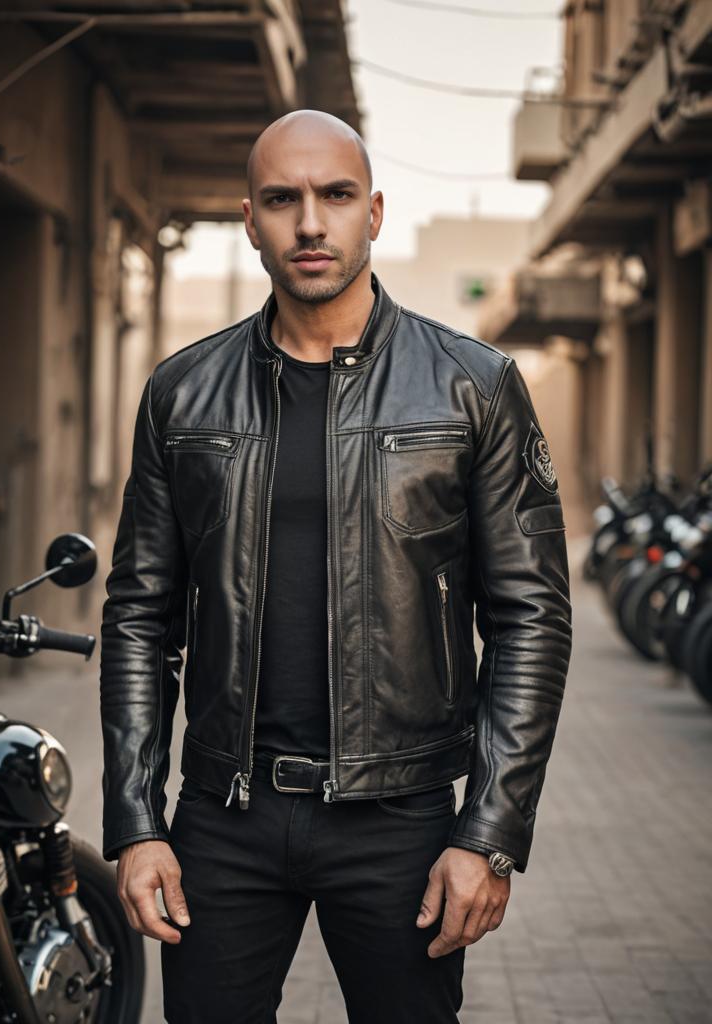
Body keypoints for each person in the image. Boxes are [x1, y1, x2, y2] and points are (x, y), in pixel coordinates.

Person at [99, 109, 573, 1024]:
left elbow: (530, 619)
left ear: (375, 213)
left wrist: (491, 833)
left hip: (402, 823)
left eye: (335, 196)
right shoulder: (182, 393)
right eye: (283, 199)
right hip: (222, 819)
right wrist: (135, 822)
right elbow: (138, 617)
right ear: (250, 219)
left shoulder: (470, 386)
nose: (309, 223)